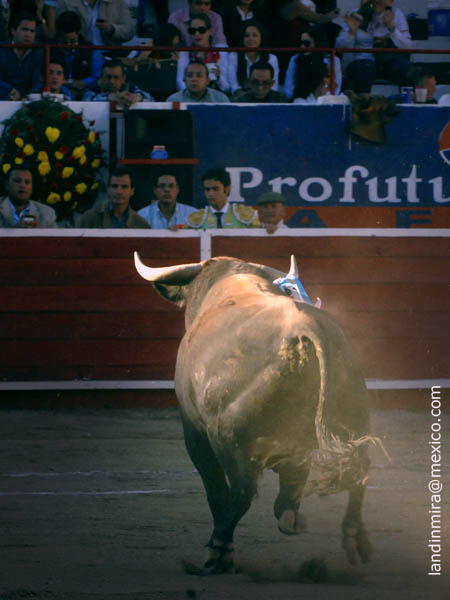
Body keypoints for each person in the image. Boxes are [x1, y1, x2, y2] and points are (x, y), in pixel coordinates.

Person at [336, 0, 411, 93]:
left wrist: (392, 28)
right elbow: (339, 46)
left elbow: (407, 45)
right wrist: (351, 32)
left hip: (387, 60)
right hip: (364, 61)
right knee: (364, 69)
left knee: (404, 67)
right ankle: (363, 104)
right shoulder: (356, 14)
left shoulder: (396, 14)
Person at [187, 167, 260, 229]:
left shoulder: (244, 215)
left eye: (216, 189)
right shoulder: (196, 219)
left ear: (227, 189)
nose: (211, 194)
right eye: (207, 189)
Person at [78, 166, 150, 228]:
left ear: (132, 191)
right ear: (108, 189)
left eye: (124, 187)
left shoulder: (141, 224)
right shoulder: (90, 218)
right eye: (114, 186)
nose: (119, 191)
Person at [54, 10, 104, 98]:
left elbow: (98, 76)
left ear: (78, 32)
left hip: (85, 93)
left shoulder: (91, 49)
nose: (68, 46)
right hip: (58, 93)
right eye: (64, 42)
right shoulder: (50, 49)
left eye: (72, 41)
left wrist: (80, 83)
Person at [284, 25, 341, 100]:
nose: (302, 46)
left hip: (326, 101)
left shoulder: (333, 60)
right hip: (300, 101)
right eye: (301, 43)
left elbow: (336, 87)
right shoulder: (295, 59)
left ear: (317, 42)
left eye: (306, 43)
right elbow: (288, 88)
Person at [176, 12, 228, 93]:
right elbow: (179, 82)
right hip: (190, 97)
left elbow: (226, 88)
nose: (197, 34)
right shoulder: (184, 53)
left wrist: (219, 78)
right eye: (192, 31)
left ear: (210, 31)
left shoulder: (220, 53)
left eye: (201, 30)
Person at [227, 19, 279, 98]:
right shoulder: (233, 56)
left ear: (261, 38)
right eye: (246, 35)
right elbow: (234, 85)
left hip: (265, 97)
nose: (250, 39)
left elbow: (274, 86)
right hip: (241, 97)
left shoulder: (272, 58)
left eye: (255, 35)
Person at [0, 11, 43, 100]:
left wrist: (28, 96)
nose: (28, 35)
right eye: (24, 30)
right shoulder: (1, 49)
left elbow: (37, 81)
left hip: (26, 99)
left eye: (32, 31)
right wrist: (9, 90)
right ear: (13, 30)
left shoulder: (38, 52)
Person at [55, 0, 135, 46]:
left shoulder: (117, 2)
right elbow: (59, 32)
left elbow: (130, 30)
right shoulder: (65, 2)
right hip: (78, 55)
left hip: (111, 55)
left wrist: (112, 29)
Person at [83, 59, 153, 105]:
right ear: (101, 78)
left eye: (116, 77)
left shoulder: (129, 86)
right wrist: (109, 97)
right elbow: (86, 100)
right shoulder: (93, 87)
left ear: (123, 79)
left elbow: (151, 99)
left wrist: (138, 97)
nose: (112, 81)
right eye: (108, 77)